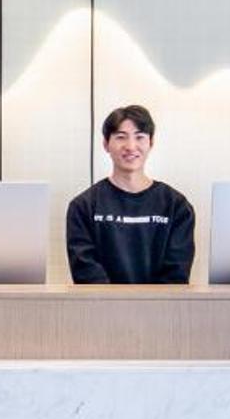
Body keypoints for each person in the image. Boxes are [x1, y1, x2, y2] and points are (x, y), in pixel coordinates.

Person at [66, 104, 196, 284]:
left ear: (151, 143)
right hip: (101, 302)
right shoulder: (83, 206)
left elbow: (176, 274)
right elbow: (86, 273)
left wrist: (151, 301)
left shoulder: (176, 206)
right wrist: (115, 301)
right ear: (106, 144)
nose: (131, 146)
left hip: (162, 302)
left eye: (139, 137)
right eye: (121, 137)